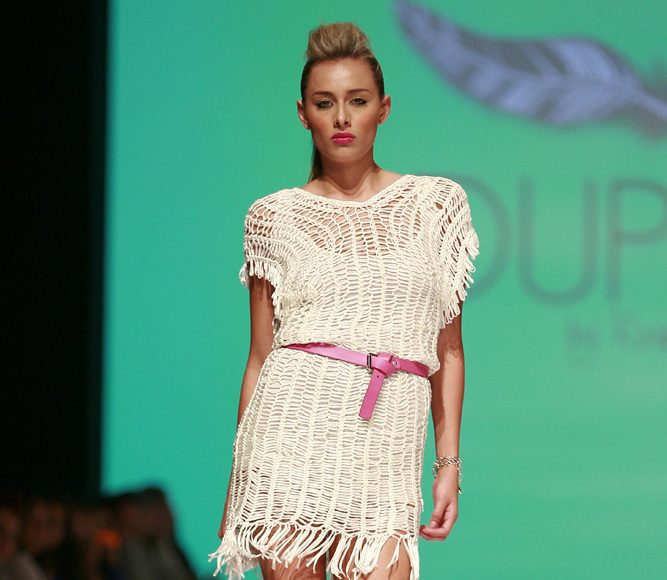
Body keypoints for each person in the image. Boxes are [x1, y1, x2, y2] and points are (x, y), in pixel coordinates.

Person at [208, 21, 480, 580]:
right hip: (288, 442)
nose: (341, 118)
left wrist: (448, 463)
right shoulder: (272, 216)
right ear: (303, 113)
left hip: (388, 452)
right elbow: (260, 356)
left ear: (383, 109)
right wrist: (239, 481)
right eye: (324, 103)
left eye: (357, 101)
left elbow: (448, 351)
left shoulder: (437, 204)